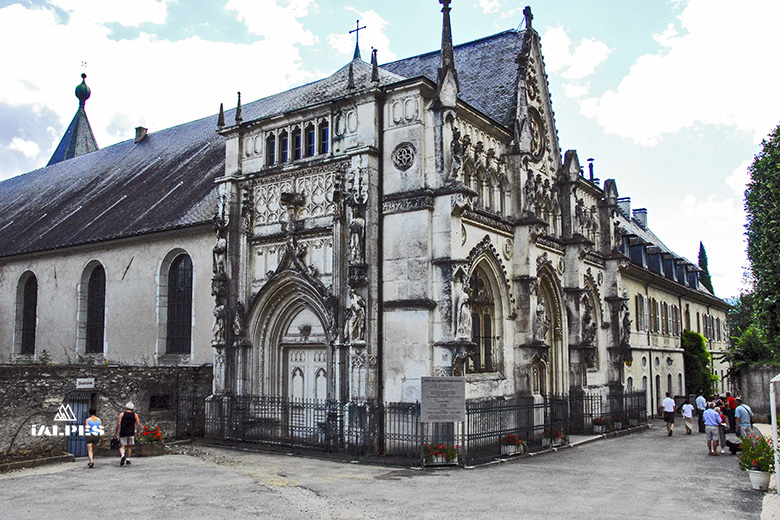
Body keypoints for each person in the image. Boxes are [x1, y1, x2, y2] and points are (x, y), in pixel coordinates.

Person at [113, 402, 141, 467]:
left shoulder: (122, 414)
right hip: (131, 432)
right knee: (129, 446)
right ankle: (128, 459)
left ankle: (123, 456)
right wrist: (138, 433)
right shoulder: (135, 415)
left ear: (126, 408)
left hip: (123, 432)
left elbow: (118, 424)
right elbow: (139, 425)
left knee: (122, 446)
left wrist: (116, 433)